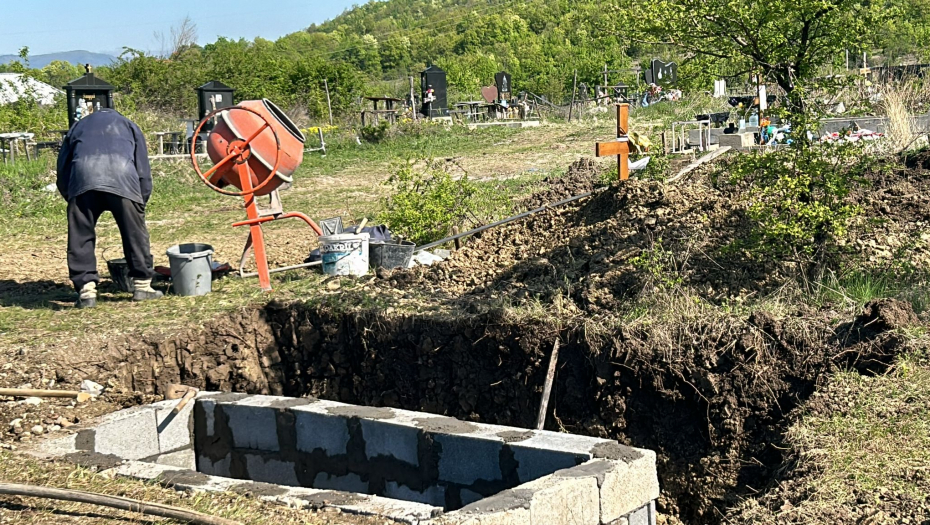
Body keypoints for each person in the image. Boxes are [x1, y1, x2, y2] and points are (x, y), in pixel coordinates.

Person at [56, 108, 163, 308]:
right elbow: (142, 168)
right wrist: (140, 202)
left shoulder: (78, 126)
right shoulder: (129, 125)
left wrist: (70, 196)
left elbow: (63, 167)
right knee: (134, 233)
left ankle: (86, 290)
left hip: (83, 177)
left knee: (81, 235)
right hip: (123, 178)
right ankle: (142, 286)